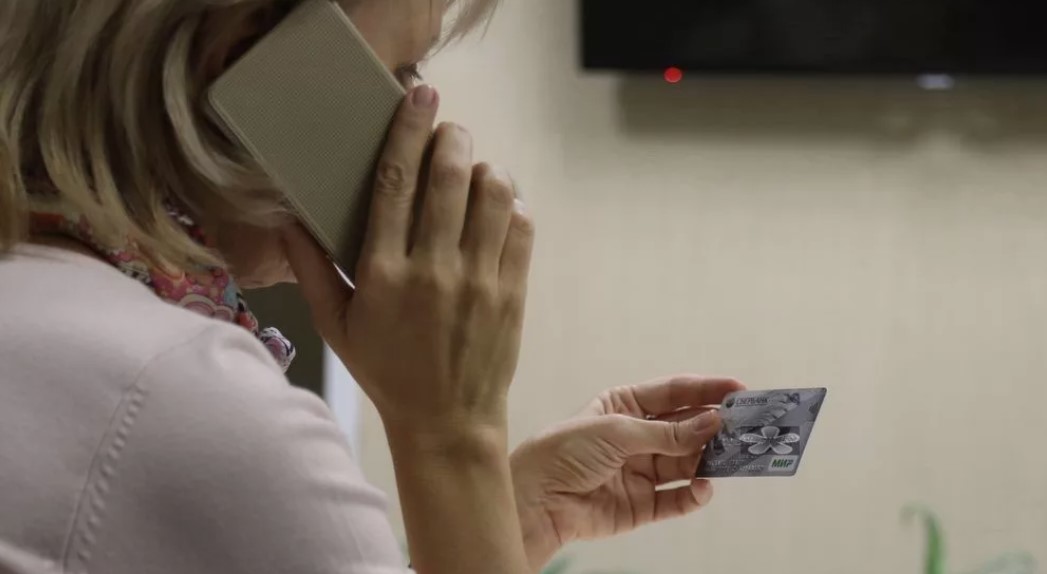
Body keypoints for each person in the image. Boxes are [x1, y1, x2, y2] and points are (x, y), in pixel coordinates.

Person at [0, 0, 745, 572]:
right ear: (243, 57)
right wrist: (453, 436)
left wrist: (502, 518)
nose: (411, 125)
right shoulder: (189, 401)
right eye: (400, 74)